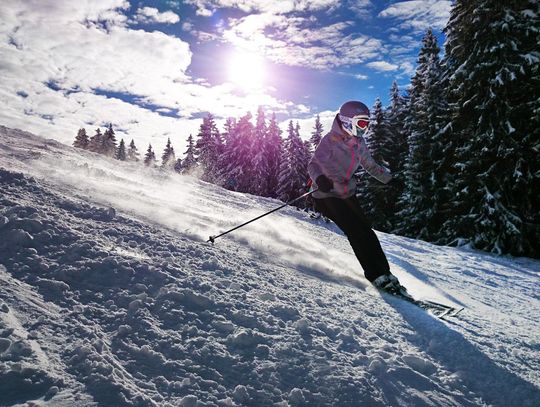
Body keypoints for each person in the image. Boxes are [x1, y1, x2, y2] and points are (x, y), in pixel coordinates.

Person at [308, 100, 404, 294]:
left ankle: (386, 273)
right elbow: (313, 165)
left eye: (367, 124)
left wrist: (389, 179)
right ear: (346, 120)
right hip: (326, 194)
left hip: (346, 193)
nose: (365, 128)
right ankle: (375, 275)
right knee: (355, 231)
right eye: (361, 123)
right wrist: (320, 178)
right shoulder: (330, 140)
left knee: (366, 231)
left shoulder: (359, 143)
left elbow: (370, 165)